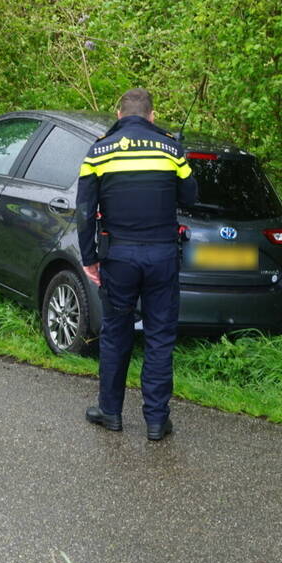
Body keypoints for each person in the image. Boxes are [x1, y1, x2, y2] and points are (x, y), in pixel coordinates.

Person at [76, 88, 197, 441]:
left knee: (116, 334)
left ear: (118, 114)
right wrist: (180, 159)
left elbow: (84, 212)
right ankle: (157, 421)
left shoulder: (98, 151)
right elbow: (191, 196)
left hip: (119, 258)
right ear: (152, 116)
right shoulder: (171, 148)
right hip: (161, 257)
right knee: (160, 337)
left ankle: (110, 412)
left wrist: (89, 259)